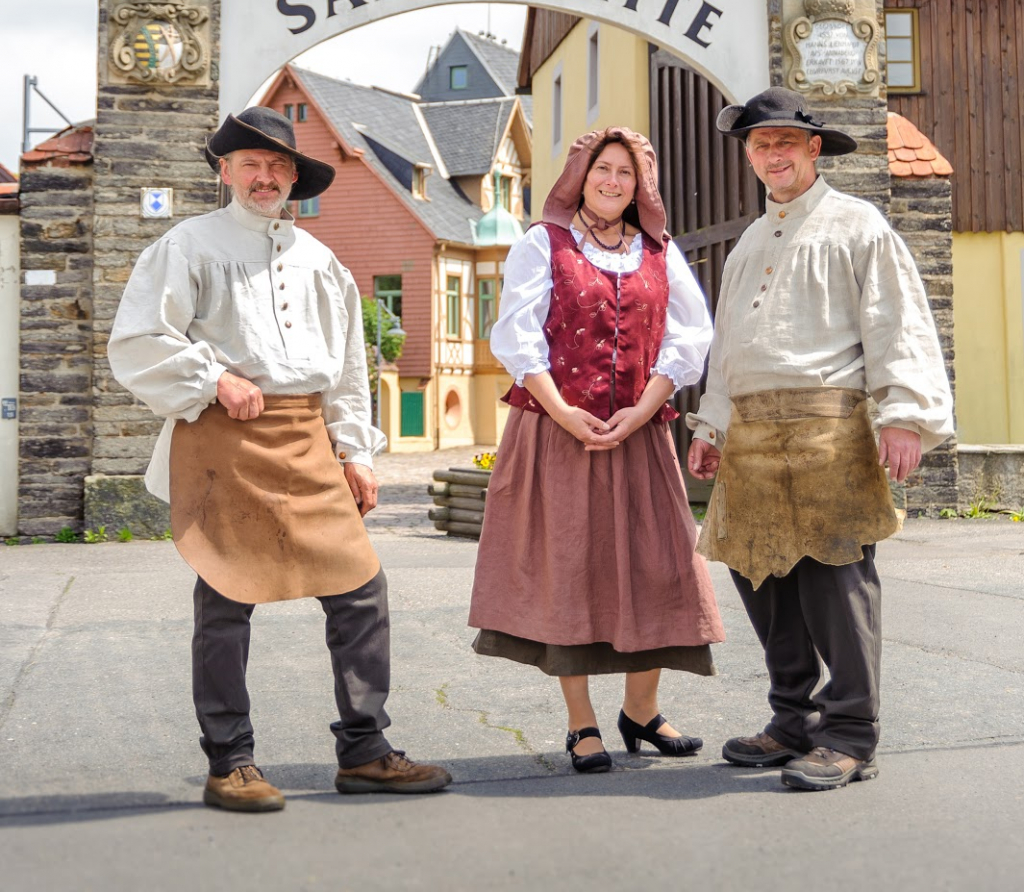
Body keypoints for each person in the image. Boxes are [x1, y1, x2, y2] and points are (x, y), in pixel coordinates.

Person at [108, 106, 452, 812]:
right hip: (224, 438)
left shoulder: (322, 261)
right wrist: (212, 377)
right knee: (227, 597)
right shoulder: (189, 244)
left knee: (360, 588)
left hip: (307, 438)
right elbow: (138, 338)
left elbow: (349, 366)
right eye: (251, 164)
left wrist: (356, 449)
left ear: (295, 177)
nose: (265, 177)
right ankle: (229, 761)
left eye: (278, 166)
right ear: (225, 171)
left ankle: (364, 748)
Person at [686, 87, 954, 792]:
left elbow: (897, 318)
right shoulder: (749, 240)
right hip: (750, 435)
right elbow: (729, 344)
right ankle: (792, 720)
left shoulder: (857, 224)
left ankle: (850, 733)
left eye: (783, 142)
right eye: (758, 144)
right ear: (749, 155)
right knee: (760, 578)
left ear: (812, 148)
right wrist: (712, 423)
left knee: (837, 582)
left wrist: (904, 412)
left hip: (827, 426)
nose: (771, 154)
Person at [470, 126, 724, 773]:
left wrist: (643, 410)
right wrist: (564, 412)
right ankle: (581, 723)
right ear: (579, 176)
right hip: (558, 434)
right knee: (570, 570)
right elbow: (517, 337)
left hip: (639, 438)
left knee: (663, 565)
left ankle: (641, 709)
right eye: (602, 169)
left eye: (627, 173)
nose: (613, 181)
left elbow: (689, 336)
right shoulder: (541, 244)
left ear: (643, 186)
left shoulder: (659, 253)